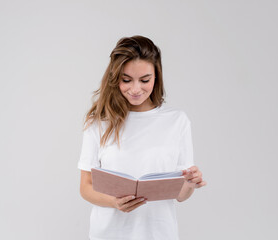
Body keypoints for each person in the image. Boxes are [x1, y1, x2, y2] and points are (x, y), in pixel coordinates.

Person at [78, 35, 207, 240]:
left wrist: (190, 184)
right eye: (126, 80)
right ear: (115, 77)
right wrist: (114, 202)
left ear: (156, 77)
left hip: (158, 233)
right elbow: (85, 187)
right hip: (109, 234)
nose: (136, 89)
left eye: (145, 80)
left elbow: (180, 195)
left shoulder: (177, 121)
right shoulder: (99, 122)